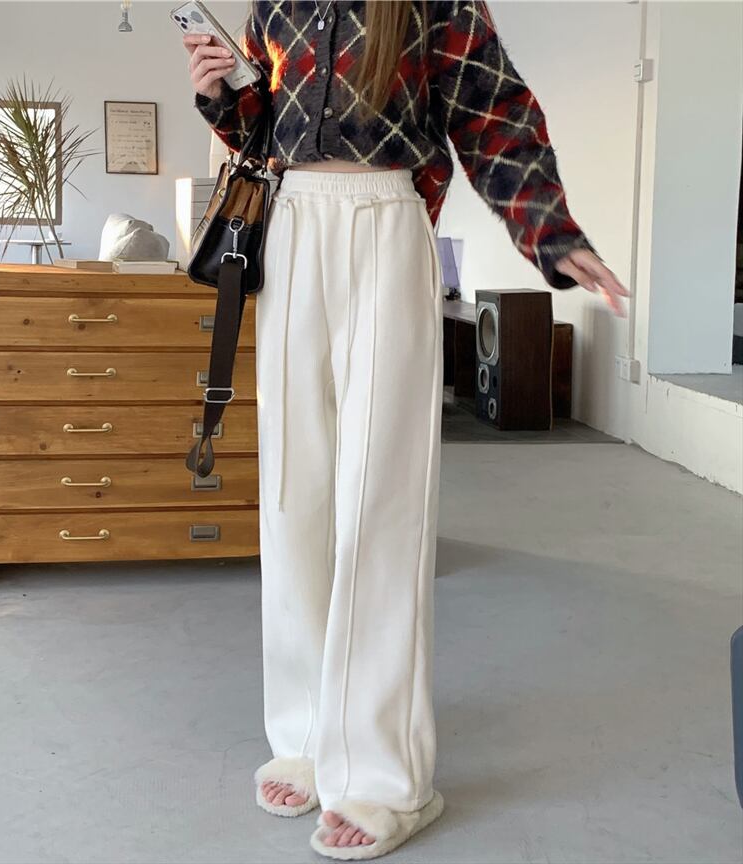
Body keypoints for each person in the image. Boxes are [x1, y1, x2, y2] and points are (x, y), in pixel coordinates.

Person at [184, 2, 628, 859]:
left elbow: (491, 109)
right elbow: (265, 128)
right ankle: (306, 738)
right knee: (293, 498)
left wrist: (551, 233)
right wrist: (221, 93)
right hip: (289, 228)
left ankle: (388, 778)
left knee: (380, 504)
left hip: (385, 223)